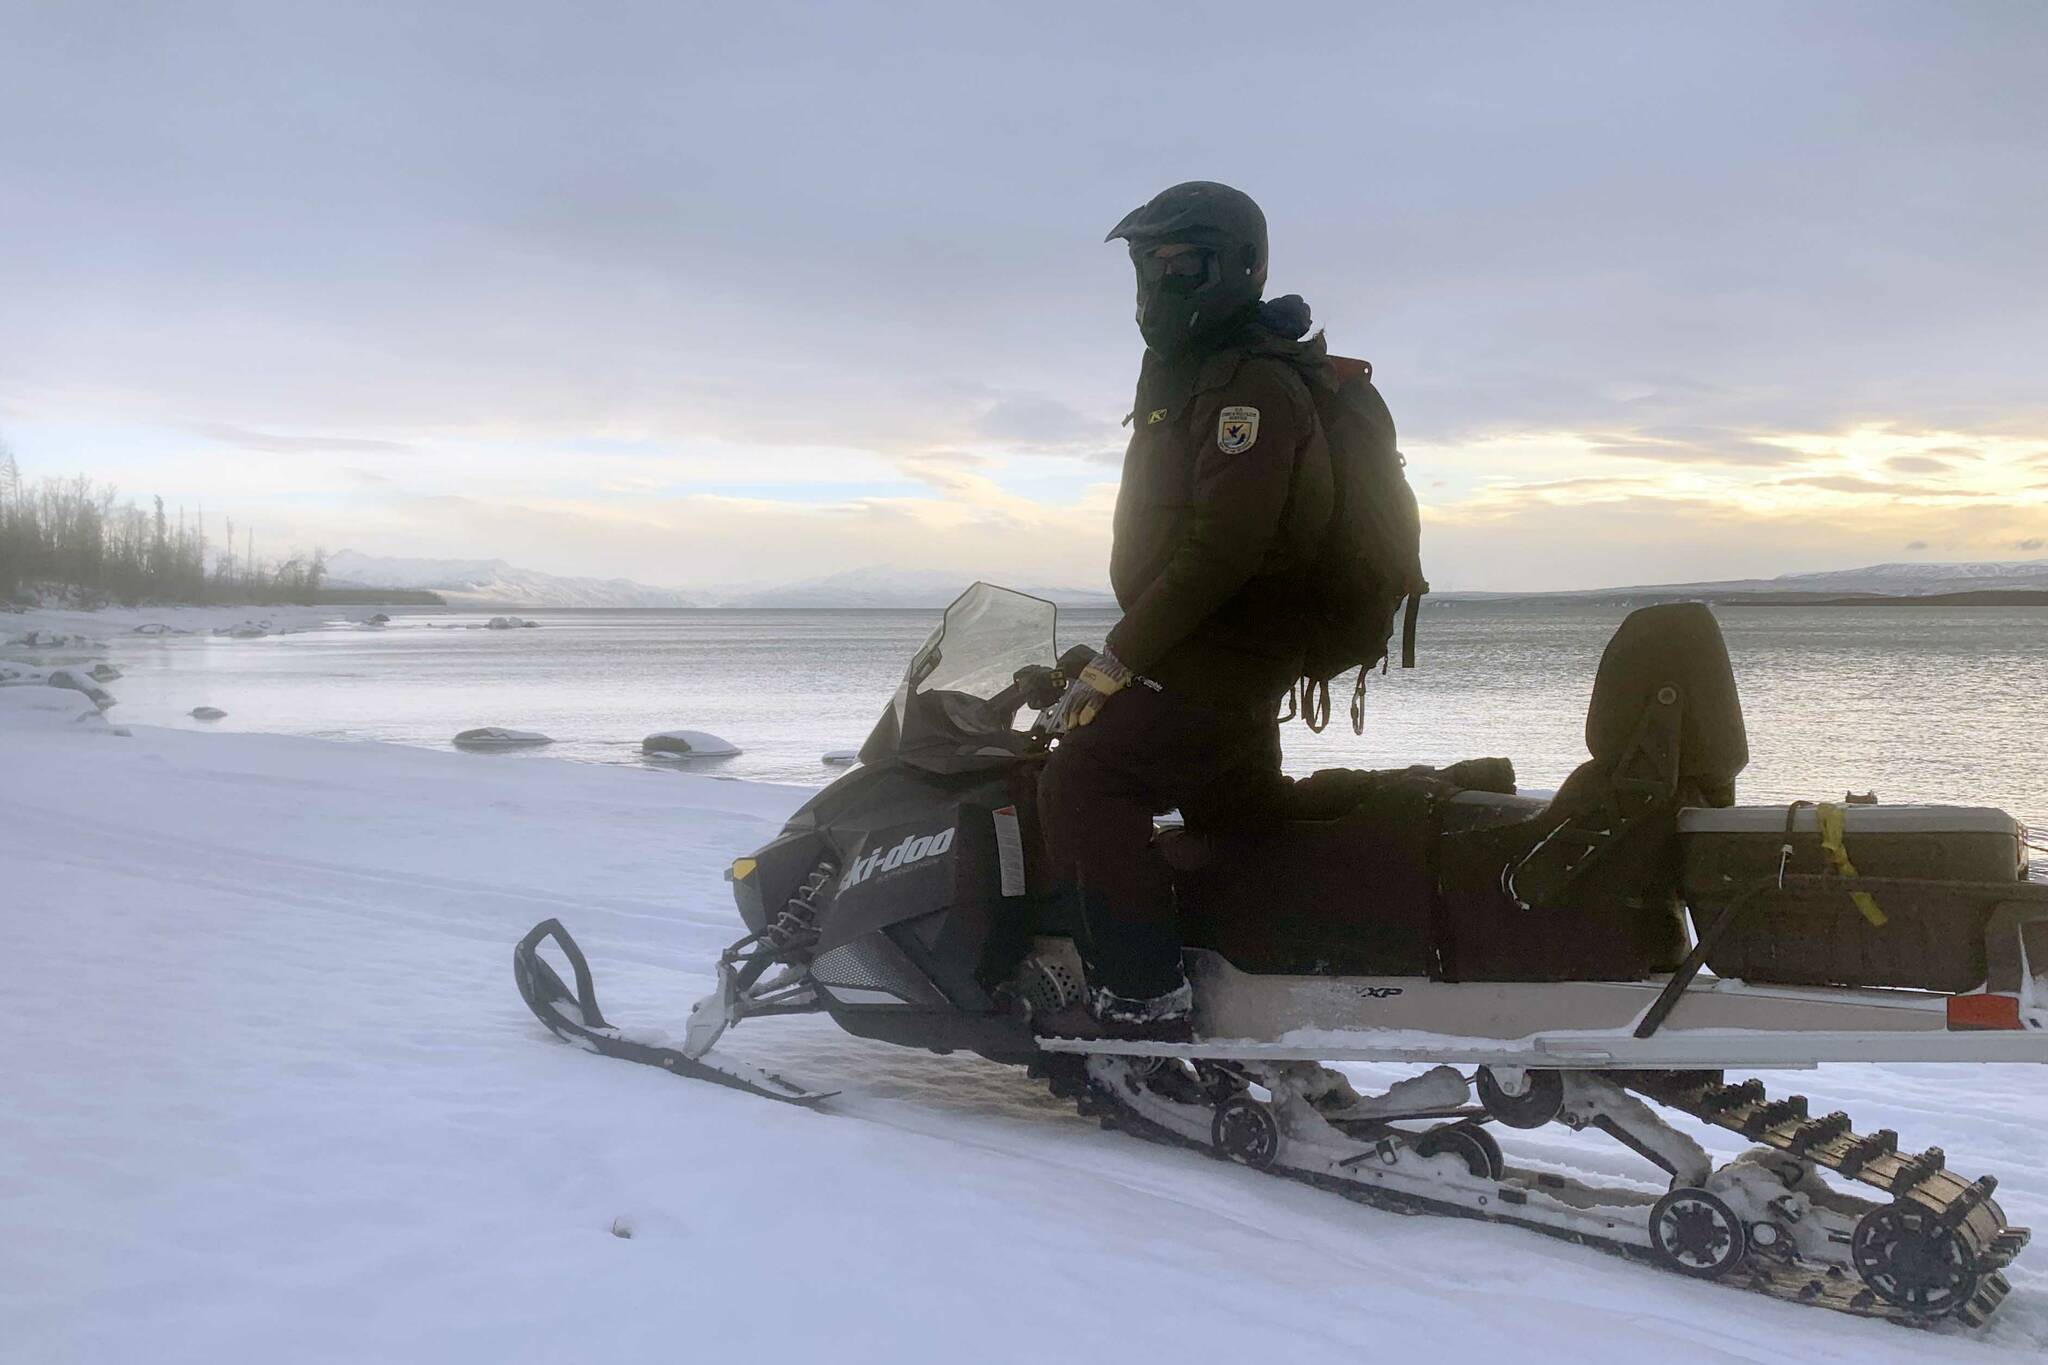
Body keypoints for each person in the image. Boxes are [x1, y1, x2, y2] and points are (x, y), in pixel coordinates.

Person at [1036, 181, 1337, 1042]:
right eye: (1152, 264)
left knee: (1085, 779)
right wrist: (1120, 652)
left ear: (1236, 267)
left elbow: (1222, 549)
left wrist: (1118, 659)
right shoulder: (1198, 370)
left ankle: (1140, 999)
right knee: (1234, 816)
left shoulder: (1252, 386)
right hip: (1210, 649)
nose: (1164, 282)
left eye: (1184, 264)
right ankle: (1239, 969)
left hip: (1223, 653)